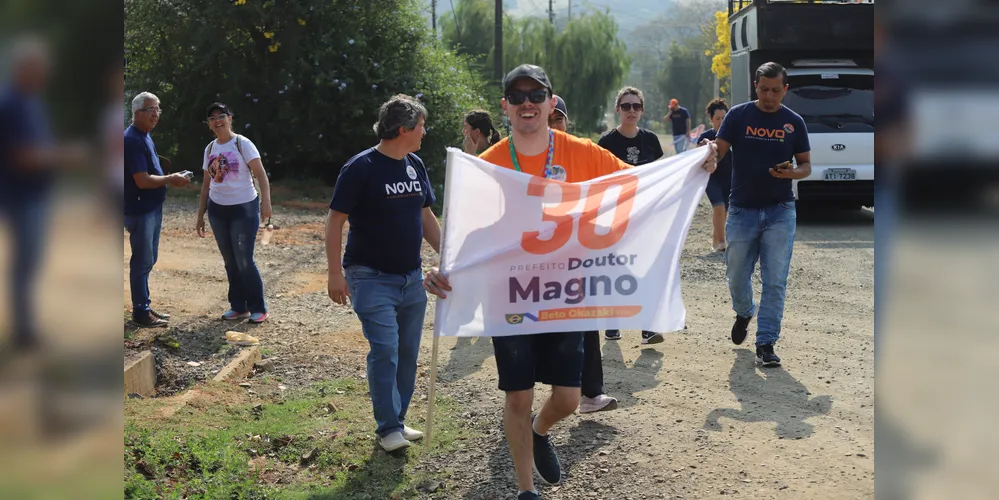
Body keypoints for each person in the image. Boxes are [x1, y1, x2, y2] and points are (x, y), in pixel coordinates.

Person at [424, 65, 717, 499]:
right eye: (517, 95)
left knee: (566, 397)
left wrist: (697, 164)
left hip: (564, 295)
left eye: (535, 95)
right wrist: (443, 272)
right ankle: (527, 490)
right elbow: (466, 239)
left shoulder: (582, 152)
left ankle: (541, 432)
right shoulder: (488, 165)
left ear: (549, 101)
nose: (527, 103)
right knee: (518, 397)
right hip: (512, 298)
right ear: (505, 105)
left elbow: (638, 187)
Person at [325, 94, 443, 452]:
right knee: (386, 350)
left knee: (407, 353)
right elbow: (335, 221)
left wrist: (453, 258)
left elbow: (426, 217)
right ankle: (388, 427)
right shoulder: (361, 167)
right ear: (404, 128)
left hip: (411, 278)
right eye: (421, 125)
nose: (425, 131)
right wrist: (334, 273)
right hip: (369, 277)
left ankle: (397, 420)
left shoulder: (415, 164)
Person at [709, 62, 811, 367]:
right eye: (764, 89)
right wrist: (708, 152)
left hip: (780, 210)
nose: (769, 96)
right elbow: (719, 150)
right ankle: (744, 311)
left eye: (776, 90)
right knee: (736, 272)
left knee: (775, 279)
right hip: (741, 209)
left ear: (785, 90)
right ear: (756, 86)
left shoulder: (794, 122)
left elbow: (806, 165)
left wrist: (792, 173)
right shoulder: (738, 116)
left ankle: (766, 342)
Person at [0, 36, 95, 347]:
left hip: (33, 195)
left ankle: (24, 327)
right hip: (21, 196)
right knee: (26, 263)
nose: (45, 74)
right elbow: (23, 156)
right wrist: (65, 155)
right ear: (23, 68)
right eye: (40, 68)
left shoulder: (31, 101)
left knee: (30, 262)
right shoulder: (13, 103)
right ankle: (24, 332)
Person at [597, 86, 667, 345]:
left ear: (642, 110)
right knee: (615, 268)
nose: (631, 111)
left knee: (644, 267)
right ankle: (612, 320)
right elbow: (598, 181)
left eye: (636, 106)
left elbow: (661, 174)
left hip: (645, 214)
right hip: (614, 215)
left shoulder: (650, 140)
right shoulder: (606, 142)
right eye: (626, 106)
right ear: (618, 109)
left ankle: (647, 327)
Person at [195, 103, 272, 323]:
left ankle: (258, 307)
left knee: (244, 260)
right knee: (230, 260)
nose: (217, 121)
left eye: (221, 116)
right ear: (208, 124)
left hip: (244, 208)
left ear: (230, 118)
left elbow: (261, 175)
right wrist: (201, 213)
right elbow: (205, 184)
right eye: (212, 119)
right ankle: (238, 307)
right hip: (218, 210)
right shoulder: (210, 149)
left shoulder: (242, 143)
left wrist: (266, 203)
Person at [124, 91, 191, 328]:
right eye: (151, 109)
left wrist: (169, 176)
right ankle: (141, 312)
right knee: (142, 261)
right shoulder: (131, 139)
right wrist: (171, 178)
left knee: (148, 259)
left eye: (158, 109)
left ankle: (145, 306)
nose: (156, 114)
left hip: (150, 207)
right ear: (137, 112)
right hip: (141, 210)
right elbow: (141, 180)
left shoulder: (144, 136)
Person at [697, 98, 734, 252]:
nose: (721, 121)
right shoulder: (705, 137)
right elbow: (697, 156)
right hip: (711, 178)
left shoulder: (733, 136)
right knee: (719, 207)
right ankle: (721, 243)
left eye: (724, 118)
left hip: (729, 178)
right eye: (717, 118)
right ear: (711, 119)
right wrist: (703, 147)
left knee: (724, 211)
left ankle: (715, 238)